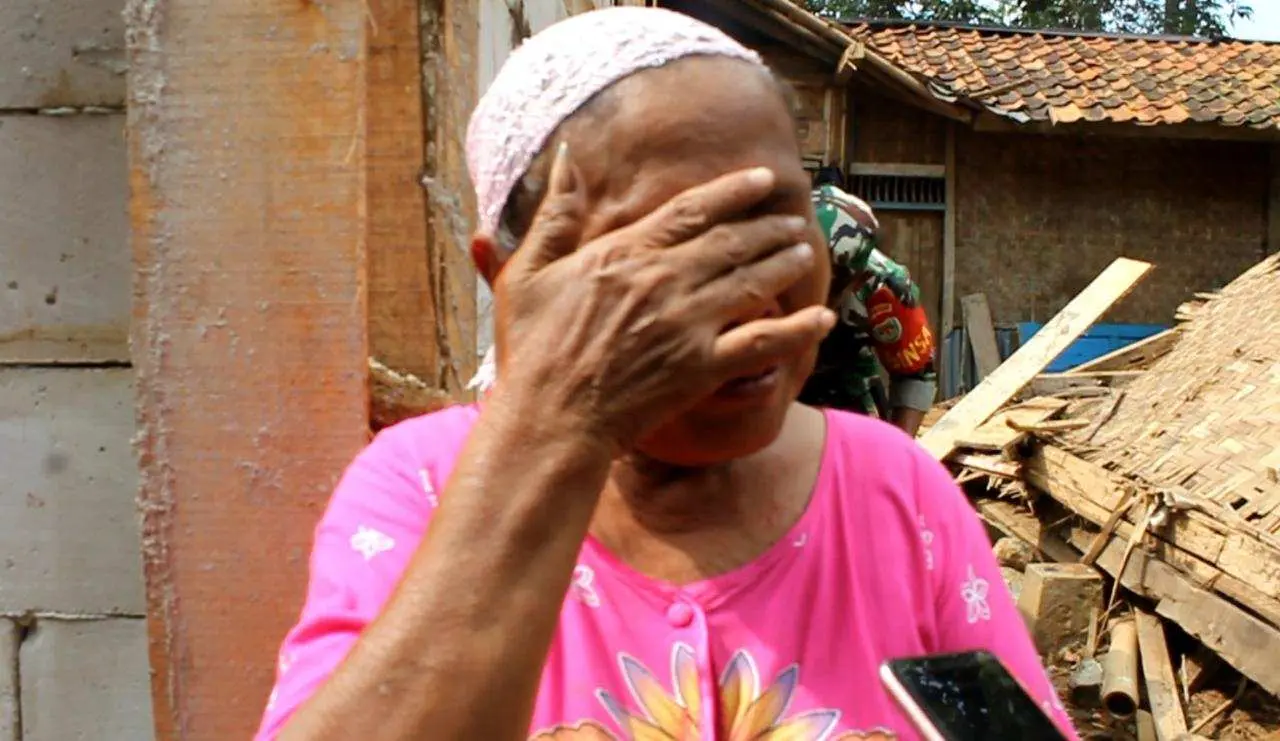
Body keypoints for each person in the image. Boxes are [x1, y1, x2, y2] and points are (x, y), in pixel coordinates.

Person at [255, 8, 1076, 741]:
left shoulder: (897, 491)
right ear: (506, 276)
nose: (748, 290)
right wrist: (557, 427)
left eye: (772, 220)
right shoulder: (419, 488)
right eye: (663, 248)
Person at [799, 170, 938, 438]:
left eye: (833, 285)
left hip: (849, 376)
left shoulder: (886, 288)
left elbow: (917, 374)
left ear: (859, 275)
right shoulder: (761, 272)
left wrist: (899, 450)